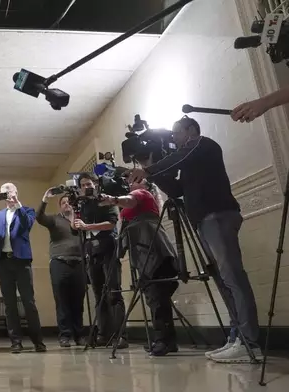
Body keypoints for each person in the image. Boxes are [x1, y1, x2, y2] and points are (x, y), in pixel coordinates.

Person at [128, 115, 261, 363]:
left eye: (177, 133)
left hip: (217, 215)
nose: (174, 139)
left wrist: (147, 169)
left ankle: (249, 342)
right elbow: (178, 191)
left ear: (191, 130)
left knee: (233, 277)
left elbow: (179, 157)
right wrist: (152, 171)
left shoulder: (203, 144)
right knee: (223, 280)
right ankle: (237, 337)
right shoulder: (190, 160)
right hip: (205, 220)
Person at [99, 179, 179, 356]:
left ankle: (163, 340)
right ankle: (167, 340)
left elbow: (130, 199)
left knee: (157, 296)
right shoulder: (136, 203)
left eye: (135, 181)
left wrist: (112, 199)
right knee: (155, 297)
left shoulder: (142, 194)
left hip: (152, 249)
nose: (130, 183)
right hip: (145, 251)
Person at [0, 183, 46, 353]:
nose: (7, 195)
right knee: (9, 304)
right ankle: (15, 341)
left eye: (10, 191)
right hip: (3, 263)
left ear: (16, 193)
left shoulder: (27, 210)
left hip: (21, 261)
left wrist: (18, 205)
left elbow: (26, 224)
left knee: (29, 302)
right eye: (4, 193)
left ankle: (38, 341)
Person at [73, 173, 128, 349]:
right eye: (82, 184)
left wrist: (88, 226)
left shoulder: (105, 200)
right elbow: (77, 228)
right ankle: (104, 334)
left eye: (89, 183)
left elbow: (112, 223)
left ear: (95, 184)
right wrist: (75, 223)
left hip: (109, 248)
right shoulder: (82, 204)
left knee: (113, 291)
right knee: (98, 294)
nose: (86, 187)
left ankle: (120, 335)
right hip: (91, 250)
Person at [37, 190, 87, 348]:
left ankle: (79, 335)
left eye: (69, 202)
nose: (66, 204)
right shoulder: (54, 219)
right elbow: (39, 217)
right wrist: (45, 199)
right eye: (63, 202)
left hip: (79, 263)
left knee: (78, 302)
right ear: (60, 207)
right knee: (62, 301)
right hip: (59, 263)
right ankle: (65, 335)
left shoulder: (81, 221)